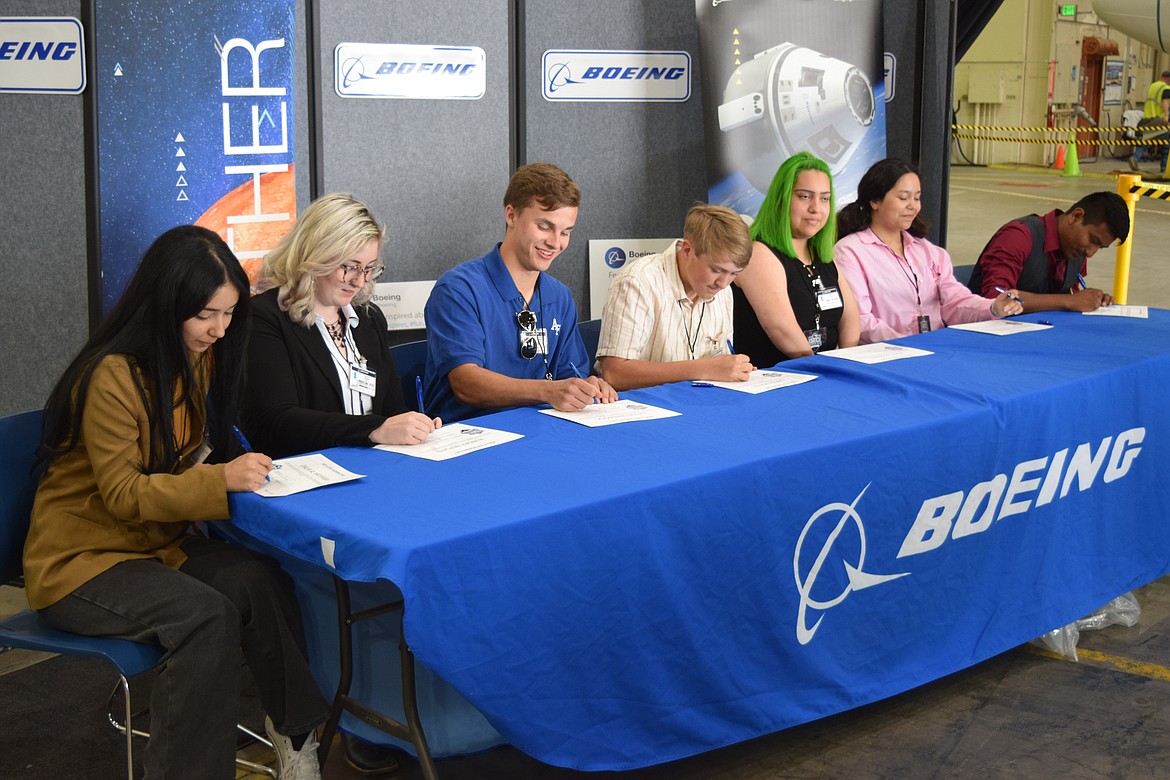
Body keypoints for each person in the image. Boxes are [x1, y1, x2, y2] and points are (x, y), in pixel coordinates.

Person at [23, 226, 329, 780]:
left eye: (230, 313)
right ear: (166, 305)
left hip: (153, 546)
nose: (219, 329)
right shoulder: (113, 375)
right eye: (206, 315)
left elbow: (192, 455)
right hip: (82, 563)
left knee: (261, 581)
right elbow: (123, 493)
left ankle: (296, 736)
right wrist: (221, 482)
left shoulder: (197, 358)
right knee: (204, 617)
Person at [245, 193, 440, 460]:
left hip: (373, 466)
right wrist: (374, 430)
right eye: (350, 267)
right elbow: (279, 420)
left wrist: (415, 427)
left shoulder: (369, 319)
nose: (360, 281)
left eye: (370, 268)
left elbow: (393, 408)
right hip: (306, 473)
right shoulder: (265, 319)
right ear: (314, 256)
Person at [423, 162, 617, 421]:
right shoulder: (458, 290)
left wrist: (588, 386)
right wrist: (548, 391)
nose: (555, 243)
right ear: (511, 215)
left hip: (542, 432)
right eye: (545, 226)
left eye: (565, 232)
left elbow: (569, 376)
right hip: (469, 440)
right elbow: (466, 383)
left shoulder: (559, 297)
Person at [833, 158, 1023, 343]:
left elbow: (954, 303)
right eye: (903, 197)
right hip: (885, 356)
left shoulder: (929, 251)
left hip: (931, 351)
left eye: (917, 198)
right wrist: (909, 345)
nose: (912, 206)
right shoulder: (850, 252)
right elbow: (860, 319)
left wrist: (992, 307)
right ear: (875, 201)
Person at [595, 204, 755, 390]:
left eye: (734, 273)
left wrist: (734, 369)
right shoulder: (637, 282)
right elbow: (615, 374)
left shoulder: (723, 290)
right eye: (716, 270)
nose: (724, 283)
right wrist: (703, 369)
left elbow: (719, 367)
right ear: (687, 250)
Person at [732, 152, 860, 365]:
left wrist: (849, 362)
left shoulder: (821, 254)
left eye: (824, 198)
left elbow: (851, 318)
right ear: (781, 199)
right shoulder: (759, 253)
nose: (816, 208)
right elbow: (783, 332)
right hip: (776, 379)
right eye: (805, 196)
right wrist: (830, 373)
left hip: (823, 371)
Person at [967, 191, 1129, 313]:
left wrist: (1091, 300)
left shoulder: (1077, 251)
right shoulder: (1018, 236)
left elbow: (1071, 294)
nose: (1090, 253)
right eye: (1093, 240)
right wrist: (1068, 301)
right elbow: (996, 298)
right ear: (1076, 216)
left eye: (1100, 247)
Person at [1129, 69, 1170, 175]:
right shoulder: (1165, 88)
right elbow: (1165, 101)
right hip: (1158, 119)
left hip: (1147, 117)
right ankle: (1164, 168)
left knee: (1147, 140)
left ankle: (1135, 157)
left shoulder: (1153, 86)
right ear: (1168, 79)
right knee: (1166, 143)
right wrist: (1166, 116)